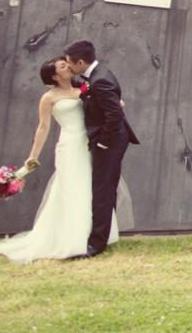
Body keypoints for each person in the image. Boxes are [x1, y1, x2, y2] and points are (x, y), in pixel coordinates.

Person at [0, 57, 119, 263]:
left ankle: (95, 234)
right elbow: (43, 127)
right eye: (62, 66)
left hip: (88, 142)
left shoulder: (84, 88)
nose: (68, 66)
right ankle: (70, 238)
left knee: (91, 186)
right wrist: (33, 155)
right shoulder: (49, 98)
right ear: (53, 76)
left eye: (66, 64)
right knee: (70, 188)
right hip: (69, 145)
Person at [62, 39, 140, 258]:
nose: (68, 67)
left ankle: (97, 244)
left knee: (102, 191)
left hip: (111, 142)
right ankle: (106, 234)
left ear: (80, 62)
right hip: (110, 140)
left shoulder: (101, 80)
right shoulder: (96, 75)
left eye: (69, 63)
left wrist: (104, 142)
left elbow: (114, 116)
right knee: (104, 189)